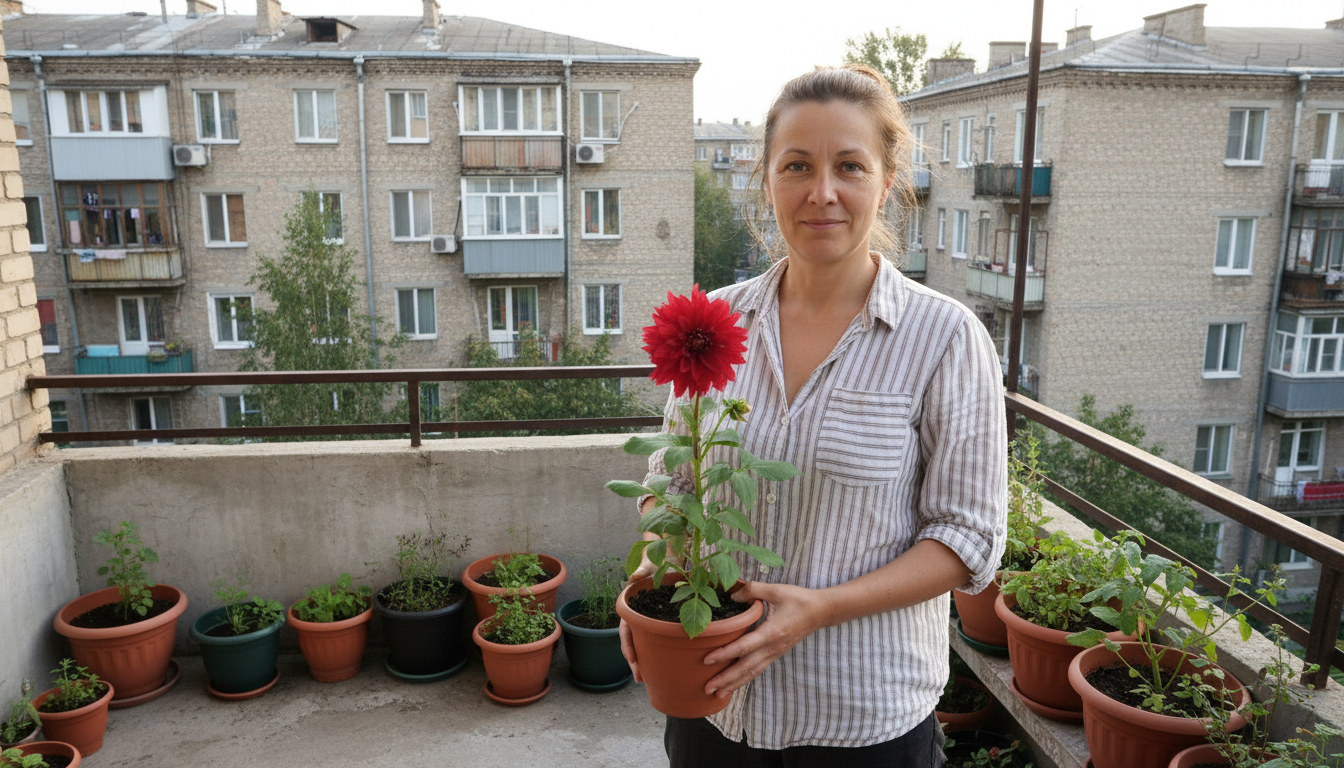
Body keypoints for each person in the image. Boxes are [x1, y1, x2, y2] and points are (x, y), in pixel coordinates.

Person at [621, 64, 1008, 768]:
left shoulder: (945, 338)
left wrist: (821, 609)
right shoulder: (716, 321)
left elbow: (966, 537)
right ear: (766, 180)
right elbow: (670, 485)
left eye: (849, 166)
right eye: (796, 165)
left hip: (862, 721)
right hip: (714, 707)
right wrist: (652, 572)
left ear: (885, 183)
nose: (821, 192)